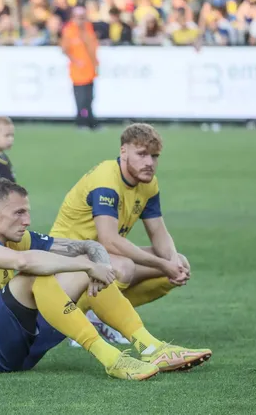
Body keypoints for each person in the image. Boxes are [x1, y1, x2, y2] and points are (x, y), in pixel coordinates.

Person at [0, 178, 211, 379]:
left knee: (75, 270)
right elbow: (23, 262)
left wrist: (94, 259)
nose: (27, 220)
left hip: (12, 347)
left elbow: (80, 245)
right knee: (32, 276)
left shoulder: (12, 236)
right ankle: (112, 359)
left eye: (27, 211)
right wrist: (86, 267)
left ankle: (151, 347)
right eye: (19, 212)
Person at [50, 123, 189, 343]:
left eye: (154, 156)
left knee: (179, 263)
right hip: (65, 257)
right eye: (142, 154)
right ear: (123, 151)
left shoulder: (148, 184)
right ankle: (86, 319)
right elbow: (109, 242)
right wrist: (162, 264)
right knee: (123, 267)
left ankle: (101, 315)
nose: (149, 163)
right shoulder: (106, 180)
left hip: (99, 256)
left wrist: (172, 261)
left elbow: (159, 232)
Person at [60, 6, 99, 130]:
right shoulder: (69, 30)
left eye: (83, 17)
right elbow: (65, 49)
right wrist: (76, 61)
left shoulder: (88, 28)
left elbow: (92, 47)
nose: (81, 20)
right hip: (78, 71)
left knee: (89, 98)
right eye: (79, 17)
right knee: (81, 99)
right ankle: (81, 121)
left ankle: (90, 121)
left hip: (90, 69)